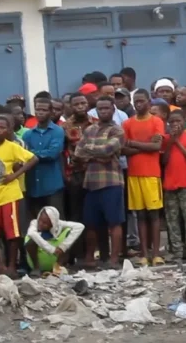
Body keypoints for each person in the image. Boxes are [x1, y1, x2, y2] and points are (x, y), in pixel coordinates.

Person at [0, 115, 39, 277]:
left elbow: (33, 159)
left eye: (1, 128)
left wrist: (15, 175)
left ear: (8, 130)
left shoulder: (12, 146)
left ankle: (12, 266)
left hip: (11, 196)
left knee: (13, 233)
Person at [75, 96, 126, 268]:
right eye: (100, 109)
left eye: (106, 108)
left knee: (114, 222)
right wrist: (99, 154)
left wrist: (92, 151)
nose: (103, 111)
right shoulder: (90, 130)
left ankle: (113, 259)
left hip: (111, 181)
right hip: (91, 182)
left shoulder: (117, 131)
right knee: (91, 223)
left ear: (113, 110)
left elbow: (107, 149)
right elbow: (78, 153)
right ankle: (90, 258)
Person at [121, 89, 165, 266]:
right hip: (134, 174)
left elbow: (157, 146)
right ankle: (144, 254)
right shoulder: (127, 123)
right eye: (136, 101)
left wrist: (134, 144)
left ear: (149, 102)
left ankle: (156, 253)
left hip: (152, 174)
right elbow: (123, 149)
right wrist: (145, 146)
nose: (138, 104)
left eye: (142, 101)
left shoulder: (157, 121)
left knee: (154, 214)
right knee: (140, 215)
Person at [61, 93, 95, 263]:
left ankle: (92, 253)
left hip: (93, 173)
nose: (80, 106)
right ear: (71, 106)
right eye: (76, 104)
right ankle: (76, 254)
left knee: (92, 215)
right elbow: (62, 152)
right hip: (74, 175)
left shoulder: (95, 123)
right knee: (75, 215)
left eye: (83, 103)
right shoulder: (65, 126)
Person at [162, 111, 186, 261]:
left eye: (178, 121)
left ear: (184, 121)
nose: (175, 124)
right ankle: (177, 251)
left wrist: (177, 141)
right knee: (172, 220)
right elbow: (164, 160)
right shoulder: (166, 139)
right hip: (169, 185)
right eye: (171, 122)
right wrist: (171, 142)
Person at [22, 98, 66, 219]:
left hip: (52, 185)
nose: (40, 112)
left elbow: (52, 153)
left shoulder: (57, 131)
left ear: (51, 112)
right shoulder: (28, 134)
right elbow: (22, 155)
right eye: (37, 109)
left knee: (56, 222)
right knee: (36, 223)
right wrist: (33, 155)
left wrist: (31, 154)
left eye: (44, 110)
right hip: (33, 186)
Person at [25, 206, 84, 275]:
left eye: (45, 223)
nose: (40, 224)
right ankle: (36, 268)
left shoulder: (59, 224)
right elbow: (31, 233)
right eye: (40, 220)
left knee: (68, 233)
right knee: (31, 241)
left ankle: (58, 267)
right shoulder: (34, 223)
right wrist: (51, 249)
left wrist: (63, 246)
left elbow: (80, 226)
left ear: (52, 224)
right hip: (39, 259)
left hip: (56, 256)